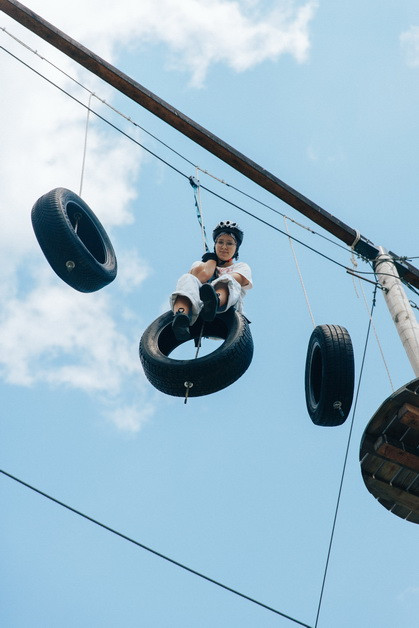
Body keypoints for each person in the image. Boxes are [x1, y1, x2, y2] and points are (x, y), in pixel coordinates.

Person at [170, 221, 252, 341]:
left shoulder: (241, 267)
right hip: (199, 313)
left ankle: (215, 302)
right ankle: (181, 318)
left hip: (226, 315)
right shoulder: (200, 265)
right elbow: (203, 276)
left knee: (227, 279)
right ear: (215, 245)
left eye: (229, 243)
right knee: (187, 278)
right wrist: (211, 261)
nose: (224, 247)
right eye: (220, 242)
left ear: (236, 248)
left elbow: (236, 279)